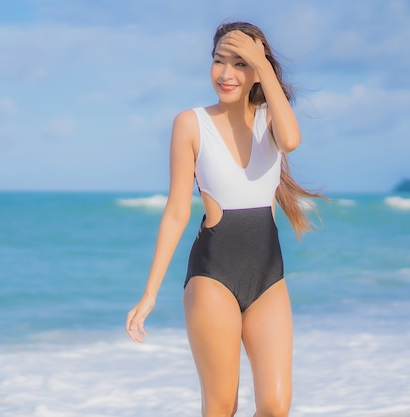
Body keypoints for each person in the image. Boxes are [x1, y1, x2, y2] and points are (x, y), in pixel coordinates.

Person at [126, 21, 324, 417]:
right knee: (221, 407)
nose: (226, 74)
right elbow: (177, 211)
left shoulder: (271, 119)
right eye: (219, 61)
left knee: (276, 406)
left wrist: (262, 66)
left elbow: (291, 141)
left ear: (256, 70)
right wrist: (149, 293)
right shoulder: (190, 123)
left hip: (269, 276)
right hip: (213, 275)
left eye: (240, 63)